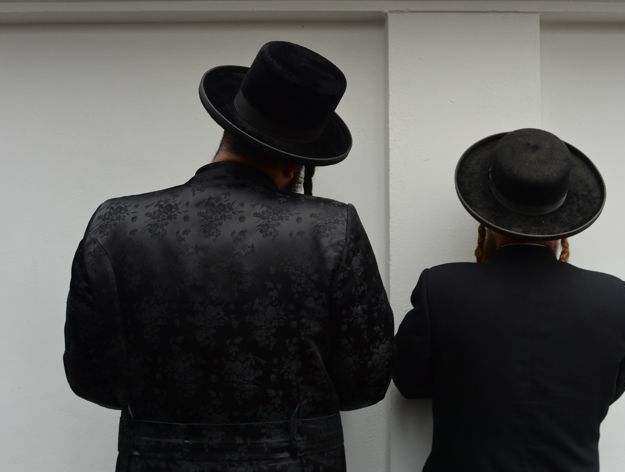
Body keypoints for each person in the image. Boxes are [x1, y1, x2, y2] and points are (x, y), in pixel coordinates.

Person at [64, 41, 394, 472]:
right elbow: (366, 381)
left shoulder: (115, 223)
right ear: (294, 166)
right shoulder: (332, 229)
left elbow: (89, 378)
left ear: (229, 130)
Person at [393, 128, 625, 471]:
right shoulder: (615, 300)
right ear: (565, 220)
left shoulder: (442, 288)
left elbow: (409, 382)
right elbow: (607, 391)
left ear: (487, 218)